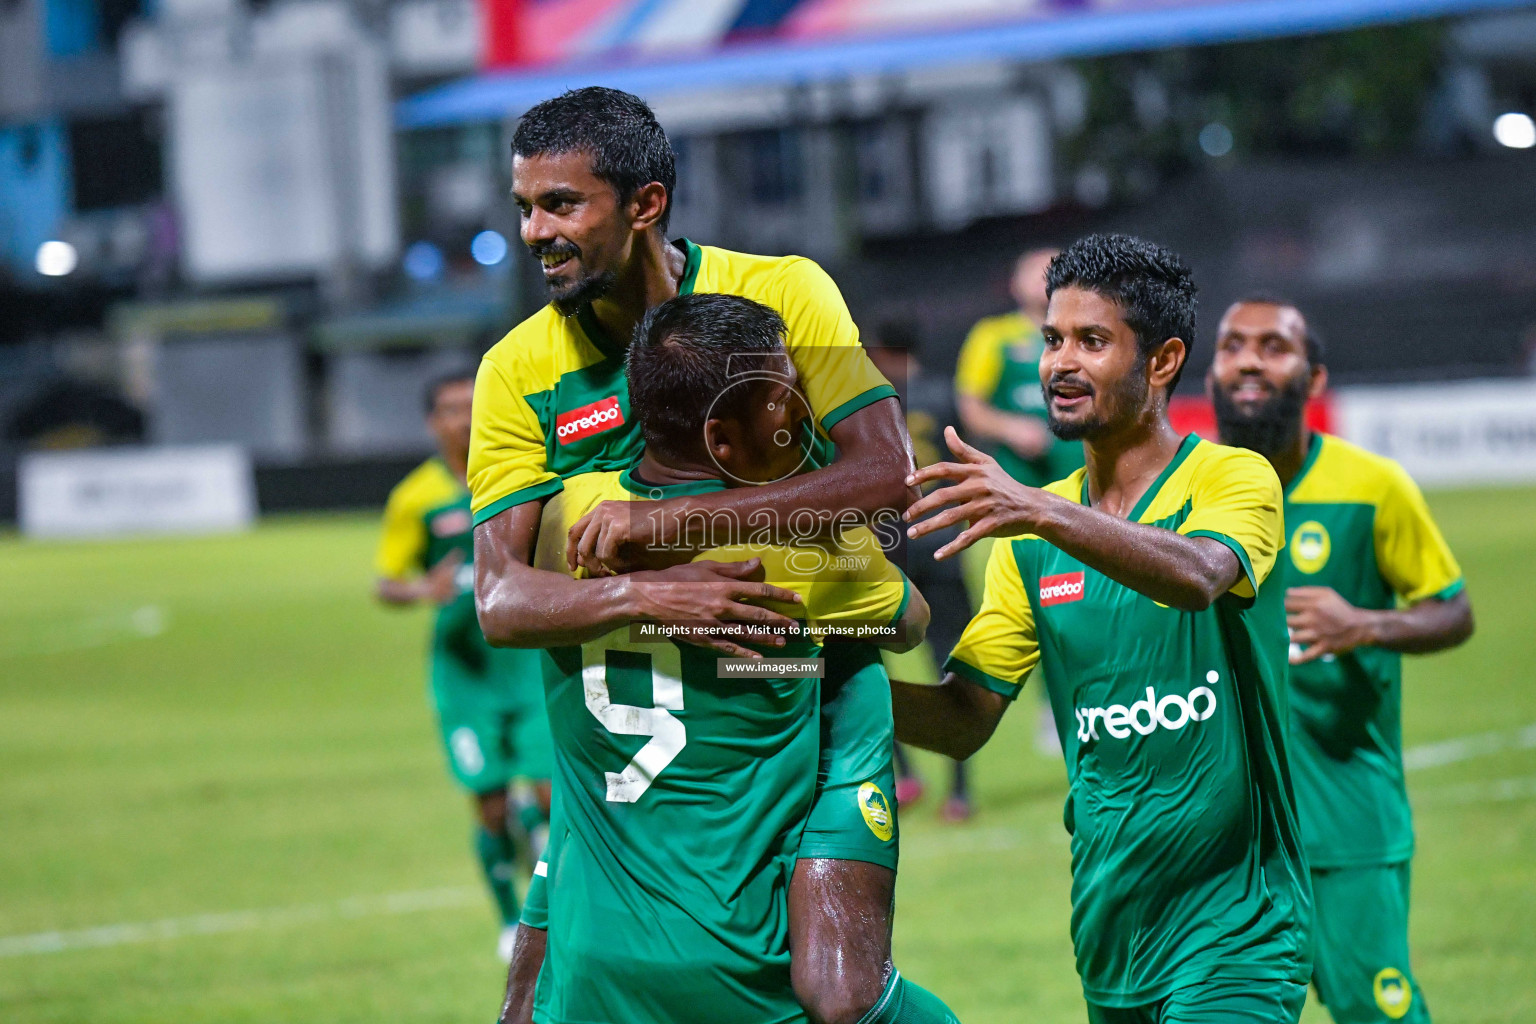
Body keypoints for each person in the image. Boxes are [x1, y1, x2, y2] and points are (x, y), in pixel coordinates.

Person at [468, 88, 959, 1024]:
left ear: (646, 203)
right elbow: (503, 598)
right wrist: (649, 601)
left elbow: (886, 473)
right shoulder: (518, 369)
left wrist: (668, 533)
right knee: (526, 1001)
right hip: (620, 728)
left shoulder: (783, 294)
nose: (535, 230)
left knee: (832, 992)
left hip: (802, 690)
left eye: (561, 204)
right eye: (524, 206)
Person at [893, 234, 1314, 1023]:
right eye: (1053, 339)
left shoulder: (1231, 477)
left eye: (1092, 341)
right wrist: (812, 684)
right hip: (1112, 933)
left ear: (1161, 361)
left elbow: (1197, 576)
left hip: (1240, 930)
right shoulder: (1030, 545)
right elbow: (960, 722)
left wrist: (1040, 508)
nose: (1059, 364)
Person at [1209, 296, 1474, 1024]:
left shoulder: (1371, 487)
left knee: (1373, 1010)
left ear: (1314, 377)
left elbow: (1453, 610)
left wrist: (1366, 623)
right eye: (1233, 346)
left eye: (1274, 346)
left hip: (1346, 817)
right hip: (1223, 836)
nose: (1250, 361)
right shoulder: (1189, 496)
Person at [374, 371, 552, 962]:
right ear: (433, 423)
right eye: (451, 410)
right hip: (465, 676)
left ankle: (546, 918)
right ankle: (507, 919)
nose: (465, 419)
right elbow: (386, 583)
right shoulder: (415, 498)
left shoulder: (515, 472)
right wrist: (418, 590)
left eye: (473, 407)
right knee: (491, 805)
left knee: (553, 800)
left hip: (526, 665)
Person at [953, 248, 1080, 751]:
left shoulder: (1082, 333)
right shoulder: (994, 337)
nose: (1044, 278)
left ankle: (1077, 699)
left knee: (1084, 597)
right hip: (1019, 491)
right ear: (1014, 282)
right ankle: (1041, 704)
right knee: (1034, 596)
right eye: (1035, 268)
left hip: (1079, 486)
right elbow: (971, 407)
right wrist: (1011, 426)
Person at [864, 319, 973, 821]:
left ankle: (904, 773)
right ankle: (961, 791)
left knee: (866, 659)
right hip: (944, 541)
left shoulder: (865, 402)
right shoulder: (945, 395)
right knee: (950, 662)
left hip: (890, 549)